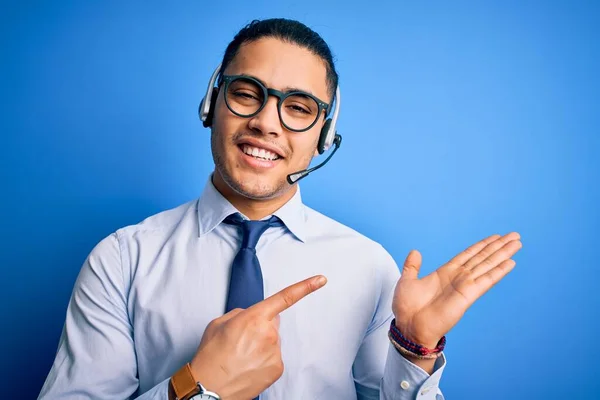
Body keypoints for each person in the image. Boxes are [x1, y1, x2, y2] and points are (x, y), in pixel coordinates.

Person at [38, 18, 522, 400]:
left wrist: (414, 352)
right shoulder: (122, 260)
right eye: (247, 94)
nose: (267, 122)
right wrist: (195, 388)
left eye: (298, 108)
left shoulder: (369, 266)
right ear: (212, 103)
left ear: (324, 137)